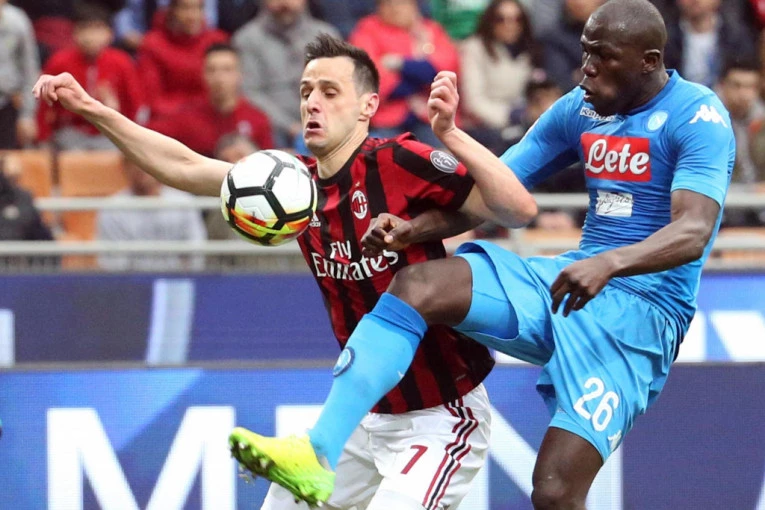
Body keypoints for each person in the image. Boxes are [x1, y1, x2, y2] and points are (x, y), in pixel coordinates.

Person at [222, 1, 737, 508]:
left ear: (649, 61)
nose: (586, 68)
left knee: (555, 492)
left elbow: (693, 230)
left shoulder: (696, 114)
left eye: (603, 57)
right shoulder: (580, 108)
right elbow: (488, 194)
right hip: (570, 281)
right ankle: (317, 450)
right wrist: (413, 229)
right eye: (585, 52)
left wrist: (610, 262)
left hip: (641, 315)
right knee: (419, 283)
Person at [33, 33, 537, 509]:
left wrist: (450, 135)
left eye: (330, 92)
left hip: (442, 413)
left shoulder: (399, 161)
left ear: (367, 106)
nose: (312, 103)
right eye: (305, 91)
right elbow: (184, 166)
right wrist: (93, 109)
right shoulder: (289, 185)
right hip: (363, 418)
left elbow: (514, 208)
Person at [233, 0, 340, 149]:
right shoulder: (246, 39)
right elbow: (250, 92)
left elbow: (338, 85)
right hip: (272, 128)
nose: (284, 3)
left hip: (322, 120)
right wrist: (290, 126)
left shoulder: (327, 35)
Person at [37, 3, 144, 150]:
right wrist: (43, 138)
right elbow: (44, 104)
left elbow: (135, 103)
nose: (90, 36)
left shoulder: (122, 62)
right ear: (74, 33)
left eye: (97, 29)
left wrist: (131, 137)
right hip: (70, 132)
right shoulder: (59, 62)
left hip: (110, 131)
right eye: (84, 29)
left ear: (110, 33)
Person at [148, 43, 273, 157]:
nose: (219, 77)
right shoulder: (187, 117)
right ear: (203, 75)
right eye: (211, 70)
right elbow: (150, 137)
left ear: (240, 74)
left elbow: (270, 162)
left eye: (227, 69)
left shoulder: (257, 120)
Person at [96, 158, 207, 271]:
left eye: (146, 162)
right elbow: (114, 265)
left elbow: (195, 254)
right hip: (132, 280)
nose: (141, 168)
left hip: (178, 279)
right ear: (125, 166)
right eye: (135, 162)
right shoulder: (113, 209)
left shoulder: (183, 202)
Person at [0, 0, 40, 149]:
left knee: (8, 158)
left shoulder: (18, 21)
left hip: (9, 101)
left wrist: (27, 115)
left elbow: (29, 68)